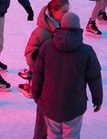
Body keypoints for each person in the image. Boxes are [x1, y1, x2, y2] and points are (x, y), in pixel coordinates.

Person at [32, 11, 103, 139]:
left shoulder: (47, 47)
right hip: (73, 107)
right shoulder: (87, 52)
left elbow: (38, 74)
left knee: (53, 135)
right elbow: (95, 78)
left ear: (61, 25)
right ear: (78, 27)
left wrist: (36, 95)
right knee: (72, 135)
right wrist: (97, 100)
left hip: (50, 104)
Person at [18, 0, 69, 99]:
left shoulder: (62, 27)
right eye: (64, 12)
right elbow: (29, 56)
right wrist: (36, 54)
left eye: (68, 12)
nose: (67, 15)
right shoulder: (41, 32)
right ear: (54, 11)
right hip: (44, 73)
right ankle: (32, 86)